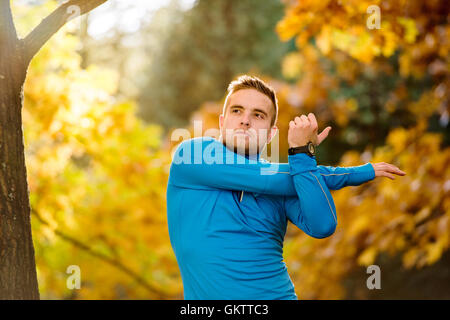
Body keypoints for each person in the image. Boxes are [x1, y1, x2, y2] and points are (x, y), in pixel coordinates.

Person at [166, 75, 405, 300]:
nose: (245, 120)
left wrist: (304, 158)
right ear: (222, 121)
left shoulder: (288, 179)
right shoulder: (192, 155)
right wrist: (320, 163)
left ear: (271, 134)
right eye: (236, 110)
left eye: (258, 115)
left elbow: (323, 225)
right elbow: (269, 179)